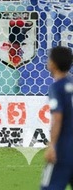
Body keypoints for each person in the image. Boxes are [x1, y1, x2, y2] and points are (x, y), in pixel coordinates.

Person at [41, 45, 73, 190]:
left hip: (63, 148)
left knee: (50, 186)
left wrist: (52, 145)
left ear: (53, 63)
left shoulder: (57, 87)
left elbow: (57, 118)